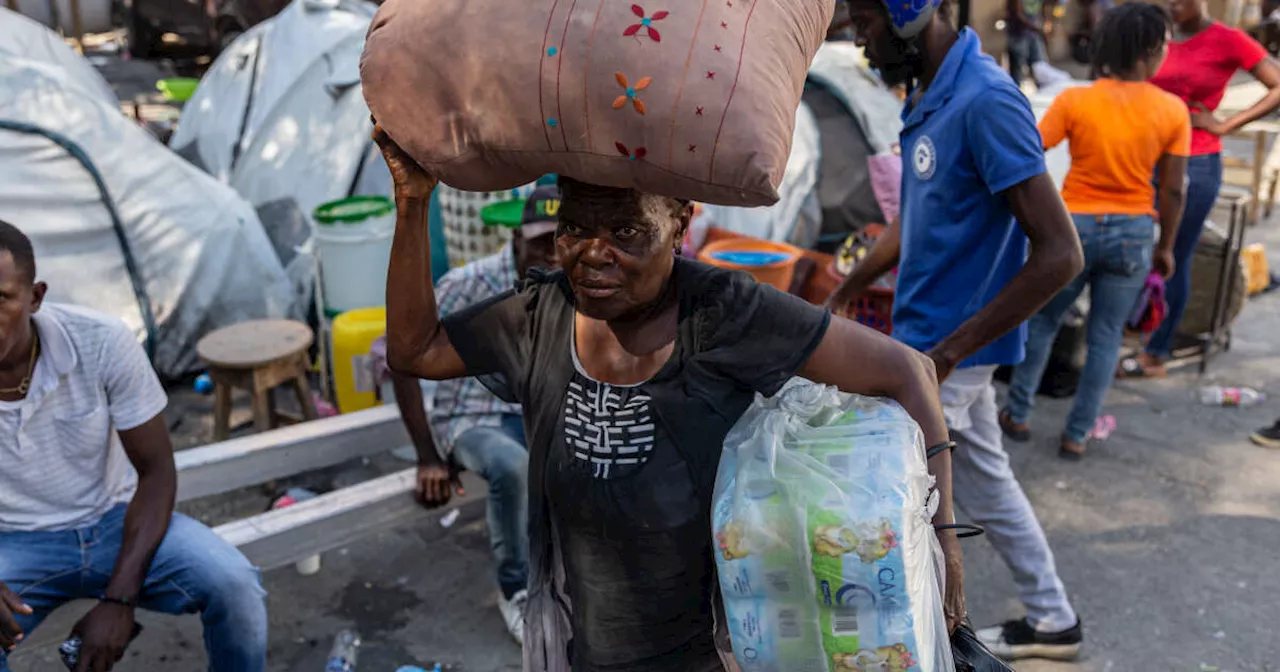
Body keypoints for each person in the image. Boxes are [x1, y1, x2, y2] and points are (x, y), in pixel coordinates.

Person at [373, 128, 965, 670]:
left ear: (680, 225)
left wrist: (944, 549)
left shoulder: (721, 311)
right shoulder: (540, 315)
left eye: (626, 232)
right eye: (575, 229)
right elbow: (414, 350)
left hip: (715, 652)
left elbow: (909, 372)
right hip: (585, 647)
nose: (593, 253)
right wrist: (412, 200)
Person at [829, 0, 1086, 661]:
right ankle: (1054, 618)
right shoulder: (930, 100)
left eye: (867, 24)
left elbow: (1061, 254)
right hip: (926, 345)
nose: (861, 42)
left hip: (950, 353)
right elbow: (914, 222)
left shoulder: (987, 101)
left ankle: (920, 646)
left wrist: (947, 354)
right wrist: (844, 290)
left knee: (896, 504)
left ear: (909, 16)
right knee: (987, 483)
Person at [0, 221, 267, 672]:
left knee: (236, 585)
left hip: (114, 520)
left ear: (35, 297)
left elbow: (157, 470)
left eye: (0, 298)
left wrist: (120, 599)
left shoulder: (100, 342)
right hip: (14, 540)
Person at [1001, 4, 1189, 459]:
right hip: (1133, 234)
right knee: (1105, 336)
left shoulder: (1073, 100)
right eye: (1163, 46)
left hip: (1073, 230)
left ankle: (1019, 414)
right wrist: (1166, 248)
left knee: (1045, 321)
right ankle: (1077, 434)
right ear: (1147, 53)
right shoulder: (1171, 110)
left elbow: (1030, 152)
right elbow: (1174, 191)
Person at [379, 186, 560, 645]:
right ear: (516, 237)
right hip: (469, 416)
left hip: (529, 411)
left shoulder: (565, 288)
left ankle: (562, 575)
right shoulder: (468, 285)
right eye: (541, 241)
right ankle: (515, 588)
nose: (553, 254)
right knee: (512, 466)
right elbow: (399, 360)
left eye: (562, 241)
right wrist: (427, 457)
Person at [1122, 0, 1280, 378]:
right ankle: (1131, 329)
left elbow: (1276, 85)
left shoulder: (1228, 40)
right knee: (1132, 246)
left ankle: (1156, 351)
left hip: (1195, 160)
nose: (1172, 6)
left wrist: (1224, 124)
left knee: (1174, 254)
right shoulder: (1156, 32)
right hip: (1142, 157)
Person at [1006, 0, 1055, 87]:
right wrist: (1037, 28)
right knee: (1017, 69)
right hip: (1019, 35)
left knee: (1040, 66)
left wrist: (1045, 25)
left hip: (1034, 36)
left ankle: (1043, 92)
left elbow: (1043, 8)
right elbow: (1017, 14)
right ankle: (1015, 94)